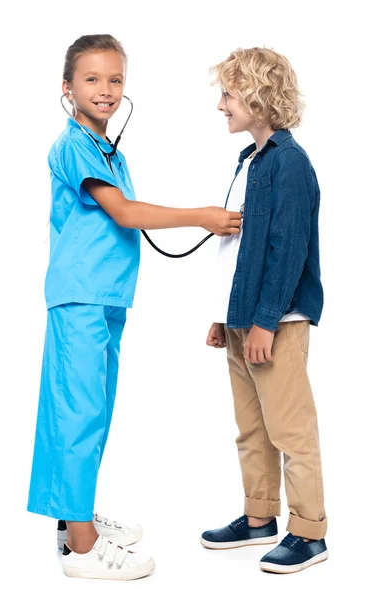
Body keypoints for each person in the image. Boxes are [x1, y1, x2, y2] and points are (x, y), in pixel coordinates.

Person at [27, 33, 241, 581]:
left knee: (85, 413)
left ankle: (75, 519)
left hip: (104, 297)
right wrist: (202, 215)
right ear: (67, 87)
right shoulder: (74, 144)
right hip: (82, 295)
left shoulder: (104, 149)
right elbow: (122, 213)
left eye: (115, 79)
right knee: (79, 414)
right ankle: (81, 548)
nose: (105, 90)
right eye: (92, 79)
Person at [200, 47, 328, 574]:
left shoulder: (290, 164)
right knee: (251, 428)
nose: (221, 106)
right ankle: (260, 518)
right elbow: (241, 249)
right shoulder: (250, 160)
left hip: (274, 323)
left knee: (290, 430)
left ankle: (309, 532)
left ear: (257, 96)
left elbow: (287, 249)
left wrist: (265, 321)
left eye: (228, 94)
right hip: (244, 320)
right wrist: (223, 314)